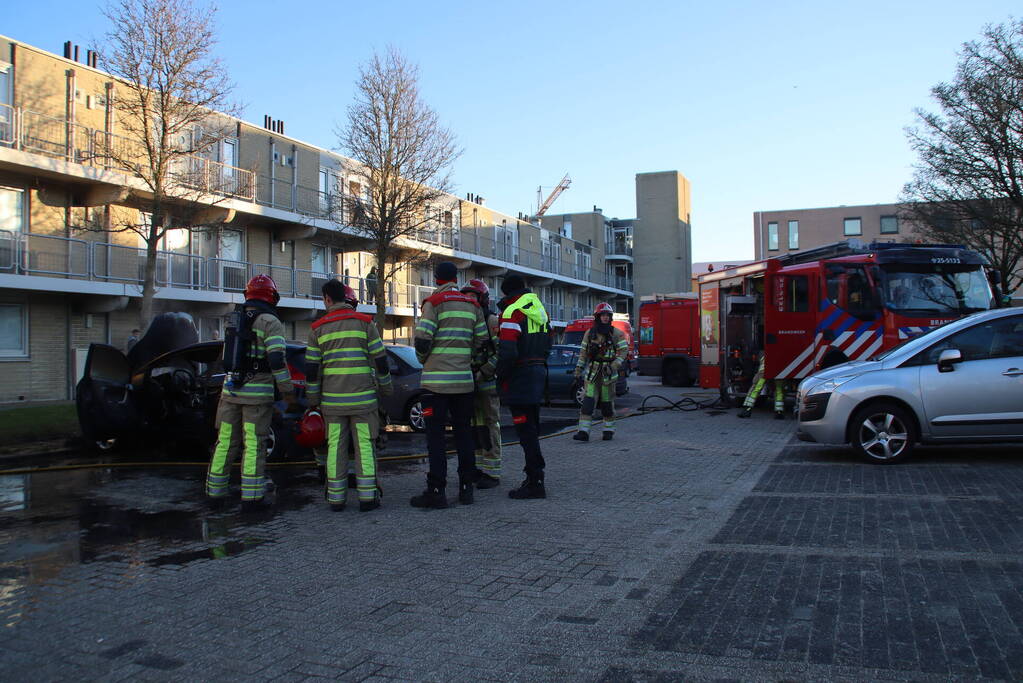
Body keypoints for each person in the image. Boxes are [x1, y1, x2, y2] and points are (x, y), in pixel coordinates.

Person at [206, 275, 299, 512]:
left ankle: (214, 494)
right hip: (256, 397)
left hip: (229, 393)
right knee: (254, 445)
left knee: (225, 442)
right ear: (272, 296)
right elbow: (277, 360)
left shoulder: (234, 319)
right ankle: (252, 498)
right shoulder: (270, 321)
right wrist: (288, 393)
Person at [305, 280, 392, 512]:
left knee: (335, 447)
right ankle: (367, 498)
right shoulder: (365, 323)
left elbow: (312, 371)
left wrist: (313, 401)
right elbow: (381, 361)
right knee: (364, 446)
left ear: (327, 299)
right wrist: (386, 389)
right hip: (363, 402)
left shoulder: (317, 328)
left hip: (333, 405)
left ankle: (336, 499)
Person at [410, 262, 488, 509]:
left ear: (436, 279)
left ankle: (436, 491)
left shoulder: (434, 303)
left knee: (436, 438)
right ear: (457, 277)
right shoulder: (472, 305)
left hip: (435, 387)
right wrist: (470, 364)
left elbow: (422, 340)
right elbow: (483, 344)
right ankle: (466, 488)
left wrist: (426, 361)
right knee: (464, 435)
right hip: (464, 385)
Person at [495, 274, 551, 500]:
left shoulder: (511, 312)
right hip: (538, 374)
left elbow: (508, 352)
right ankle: (534, 477)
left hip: (520, 377)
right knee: (532, 430)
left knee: (525, 432)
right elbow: (548, 344)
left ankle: (535, 482)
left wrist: (500, 377)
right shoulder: (540, 309)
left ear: (507, 292)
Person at [462, 279, 502, 488]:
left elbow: (501, 352)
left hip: (486, 383)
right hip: (469, 382)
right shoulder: (465, 321)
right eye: (466, 297)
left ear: (483, 299)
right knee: (474, 427)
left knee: (489, 425)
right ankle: (478, 468)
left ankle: (492, 472)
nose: (469, 301)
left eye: (473, 297)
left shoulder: (491, 321)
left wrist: (484, 371)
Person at [573, 302, 628, 441]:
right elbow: (583, 354)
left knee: (607, 403)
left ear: (610, 317)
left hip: (608, 373)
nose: (605, 318)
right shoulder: (589, 333)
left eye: (607, 315)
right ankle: (583, 432)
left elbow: (623, 352)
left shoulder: (617, 334)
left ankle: (608, 430)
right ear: (597, 317)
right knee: (588, 402)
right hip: (592, 373)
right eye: (602, 315)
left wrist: (614, 366)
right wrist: (578, 369)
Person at [737, 353, 785, 420]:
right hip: (779, 371)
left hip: (764, 372)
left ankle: (747, 409)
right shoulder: (781, 353)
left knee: (755, 389)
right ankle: (779, 412)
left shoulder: (765, 354)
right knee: (778, 390)